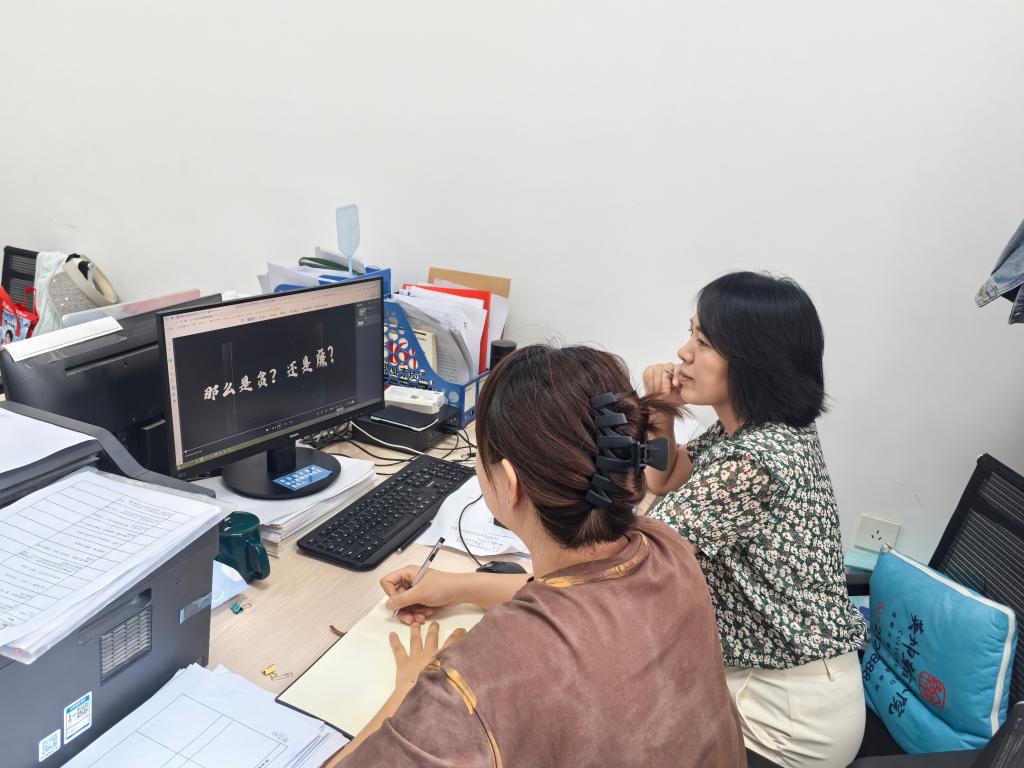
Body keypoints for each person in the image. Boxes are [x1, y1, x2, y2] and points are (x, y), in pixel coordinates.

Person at [328, 345, 746, 767]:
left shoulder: (474, 682)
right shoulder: (663, 545)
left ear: (510, 484)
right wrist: (462, 586)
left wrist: (410, 695)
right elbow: (585, 603)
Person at [642, 271, 867, 768]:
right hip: (766, 676)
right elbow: (666, 478)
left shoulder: (755, 461)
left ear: (753, 360)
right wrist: (661, 413)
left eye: (703, 343)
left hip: (785, 718)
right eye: (690, 334)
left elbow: (633, 563)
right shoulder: (755, 429)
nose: (683, 352)